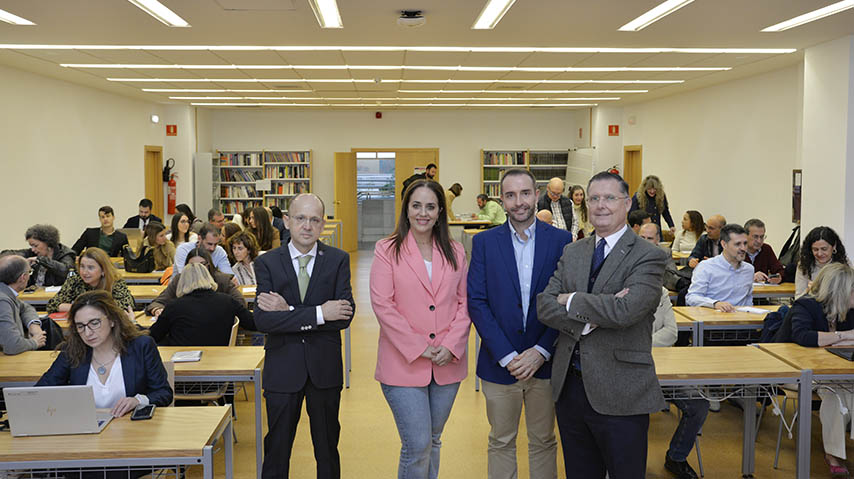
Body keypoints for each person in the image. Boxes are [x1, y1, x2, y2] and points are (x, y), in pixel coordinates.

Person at [537, 171, 668, 479]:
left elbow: (626, 310)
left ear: (626, 203)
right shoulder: (574, 251)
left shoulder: (648, 255)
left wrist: (570, 301)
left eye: (610, 198)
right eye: (594, 198)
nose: (600, 205)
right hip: (570, 388)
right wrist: (590, 319)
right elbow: (544, 305)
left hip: (621, 390)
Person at [467, 168, 572, 479]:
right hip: (500, 364)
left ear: (535, 194)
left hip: (547, 361)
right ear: (502, 199)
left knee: (543, 440)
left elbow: (566, 300)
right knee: (501, 441)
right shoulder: (485, 242)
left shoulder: (562, 241)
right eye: (510, 195)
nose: (519, 202)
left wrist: (541, 350)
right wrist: (509, 356)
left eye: (524, 193)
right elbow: (477, 301)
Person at [370, 179, 471, 479]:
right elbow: (382, 305)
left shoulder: (455, 251)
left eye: (430, 206)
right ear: (406, 209)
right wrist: (419, 347)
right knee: (417, 445)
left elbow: (465, 303)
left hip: (447, 362)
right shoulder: (386, 249)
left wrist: (451, 346)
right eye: (416, 206)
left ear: (441, 211)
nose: (423, 213)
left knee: (433, 440)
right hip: (403, 362)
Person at [254, 193, 354, 479]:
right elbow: (263, 320)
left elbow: (345, 315)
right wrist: (320, 313)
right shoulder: (268, 263)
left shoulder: (337, 260)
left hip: (324, 370)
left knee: (327, 450)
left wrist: (288, 311)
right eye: (300, 218)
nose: (307, 226)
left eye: (314, 220)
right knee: (277, 449)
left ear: (323, 224)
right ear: (286, 221)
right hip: (283, 369)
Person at [638, 226, 708, 479]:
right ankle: (629, 463)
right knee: (633, 413)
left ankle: (676, 457)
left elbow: (671, 332)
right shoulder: (619, 294)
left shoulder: (660, 294)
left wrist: (641, 345)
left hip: (661, 371)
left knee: (699, 404)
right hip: (630, 373)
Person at [36, 290, 173, 416]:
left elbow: (163, 393)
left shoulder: (141, 346)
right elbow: (40, 392)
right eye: (80, 326)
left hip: (131, 431)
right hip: (86, 432)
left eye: (94, 323)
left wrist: (138, 401)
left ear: (112, 320)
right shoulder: (72, 350)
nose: (88, 333)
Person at [789, 263, 854, 476]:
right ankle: (832, 454)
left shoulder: (847, 310)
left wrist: (831, 339)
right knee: (836, 392)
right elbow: (804, 337)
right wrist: (842, 336)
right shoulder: (806, 305)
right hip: (795, 371)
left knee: (846, 387)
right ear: (840, 291)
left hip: (831, 370)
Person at [148, 263, 255, 346]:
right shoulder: (227, 301)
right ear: (208, 277)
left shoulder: (174, 306)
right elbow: (252, 322)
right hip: (221, 360)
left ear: (182, 282)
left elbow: (154, 335)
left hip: (182, 363)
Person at [145, 247, 244, 316]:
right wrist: (157, 310)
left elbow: (240, 303)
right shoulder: (179, 280)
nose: (197, 269)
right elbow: (157, 303)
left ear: (209, 265)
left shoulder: (222, 280)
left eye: (202, 265)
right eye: (192, 265)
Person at [686, 224, 753, 311]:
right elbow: (692, 297)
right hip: (714, 318)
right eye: (737, 244)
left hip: (742, 319)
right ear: (724, 244)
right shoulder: (706, 267)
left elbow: (748, 299)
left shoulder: (749, 269)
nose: (743, 248)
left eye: (745, 243)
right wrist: (715, 304)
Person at [47, 248, 135, 314]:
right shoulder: (75, 279)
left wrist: (82, 307)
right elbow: (53, 304)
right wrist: (85, 307)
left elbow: (126, 306)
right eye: (82, 266)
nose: (85, 272)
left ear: (103, 270)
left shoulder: (115, 281)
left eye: (91, 267)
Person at [0, 254, 47, 354]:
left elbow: (26, 307)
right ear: (23, 277)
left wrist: (33, 324)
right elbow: (12, 345)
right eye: (29, 272)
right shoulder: (2, 301)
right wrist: (34, 342)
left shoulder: (5, 292)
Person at [7, 224, 76, 287]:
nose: (33, 250)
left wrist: (40, 259)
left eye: (35, 245)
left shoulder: (66, 254)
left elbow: (65, 270)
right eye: (31, 246)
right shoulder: (33, 252)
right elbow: (8, 253)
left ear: (48, 242)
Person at [796, 226, 849, 297]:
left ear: (834, 246)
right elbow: (798, 297)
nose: (819, 254)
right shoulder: (804, 264)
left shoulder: (844, 263)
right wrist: (808, 292)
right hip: (812, 305)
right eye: (815, 249)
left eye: (824, 249)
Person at [639, 223, 689, 292]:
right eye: (642, 237)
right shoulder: (629, 252)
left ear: (658, 239)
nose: (645, 241)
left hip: (659, 287)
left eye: (650, 238)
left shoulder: (665, 252)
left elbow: (672, 272)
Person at [743, 218, 784, 284]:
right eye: (755, 237)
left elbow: (780, 270)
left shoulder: (766, 249)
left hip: (762, 292)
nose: (759, 241)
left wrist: (779, 277)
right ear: (745, 236)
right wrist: (751, 277)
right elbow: (730, 276)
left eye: (762, 237)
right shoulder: (737, 251)